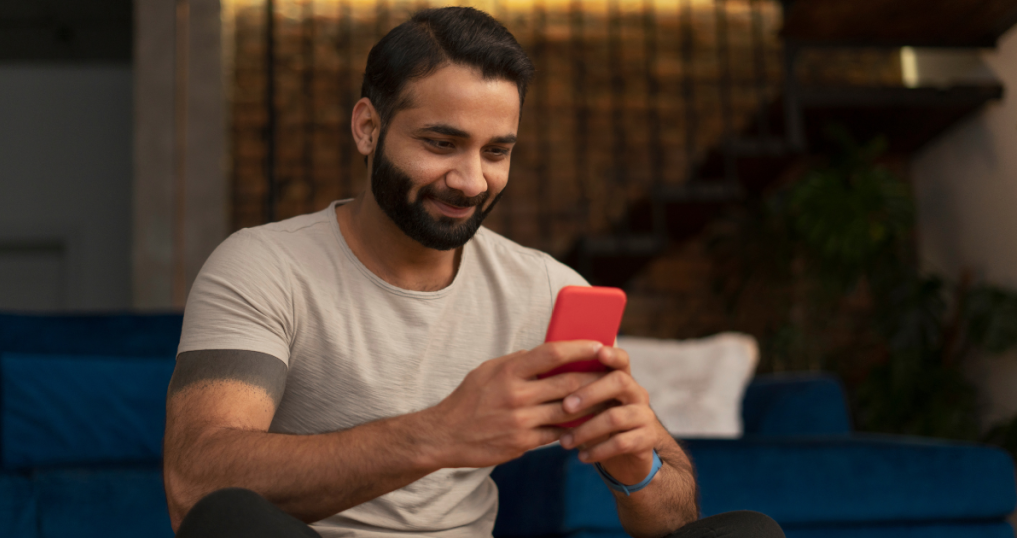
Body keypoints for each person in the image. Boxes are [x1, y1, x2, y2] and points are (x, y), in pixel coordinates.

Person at [163, 6, 784, 538]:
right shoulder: (263, 266)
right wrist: (439, 433)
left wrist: (636, 464)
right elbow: (197, 485)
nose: (471, 181)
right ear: (368, 128)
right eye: (440, 144)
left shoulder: (548, 289)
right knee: (231, 521)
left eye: (496, 151)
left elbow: (675, 519)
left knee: (749, 532)